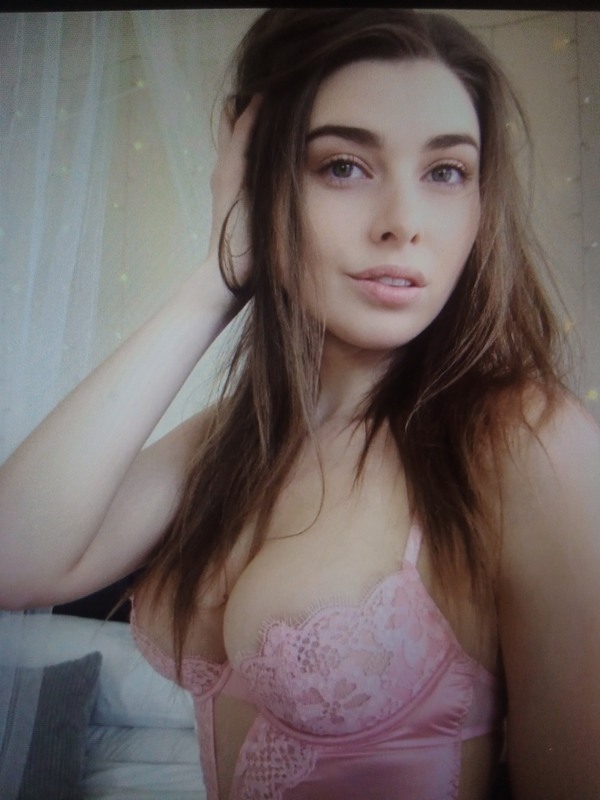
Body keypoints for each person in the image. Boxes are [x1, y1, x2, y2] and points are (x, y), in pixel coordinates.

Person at [0, 8, 599, 800]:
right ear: (259, 175)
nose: (403, 224)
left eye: (446, 172)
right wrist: (217, 281)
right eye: (344, 166)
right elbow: (14, 561)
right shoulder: (235, 439)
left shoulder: (526, 441)